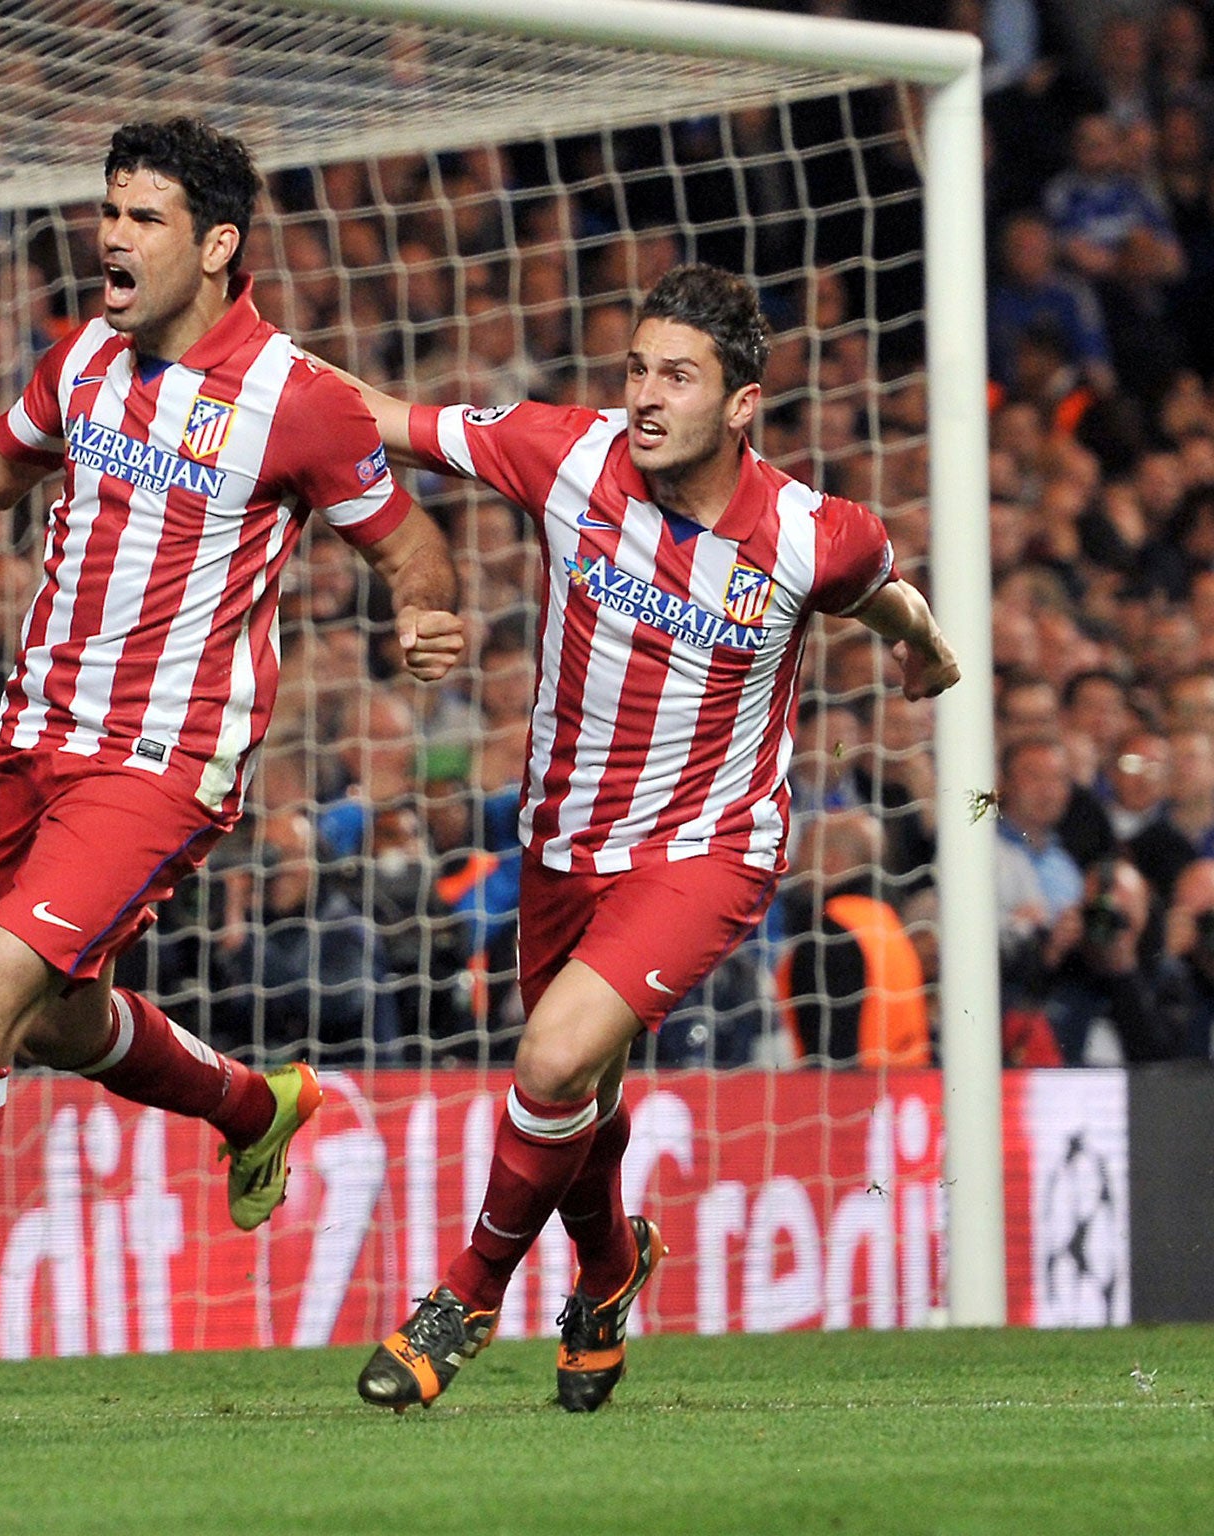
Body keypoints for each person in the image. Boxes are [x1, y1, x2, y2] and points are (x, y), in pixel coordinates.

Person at [0, 117, 463, 1438]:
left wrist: (424, 612)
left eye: (140, 218)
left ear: (215, 245)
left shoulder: (296, 401)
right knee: (53, 1024)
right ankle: (252, 1104)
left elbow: (408, 539)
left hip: (164, 760)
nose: (110, 237)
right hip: (38, 738)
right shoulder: (83, 357)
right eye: (109, 211)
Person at [335, 263, 959, 1414]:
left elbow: (882, 589)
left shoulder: (808, 533)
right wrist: (238, 368)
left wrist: (919, 646)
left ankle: (465, 1297)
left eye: (676, 375)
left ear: (738, 404)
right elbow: (379, 419)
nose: (645, 397)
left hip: (709, 849)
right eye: (635, 370)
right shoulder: (567, 455)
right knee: (582, 1090)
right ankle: (610, 1268)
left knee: (550, 1058)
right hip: (561, 842)